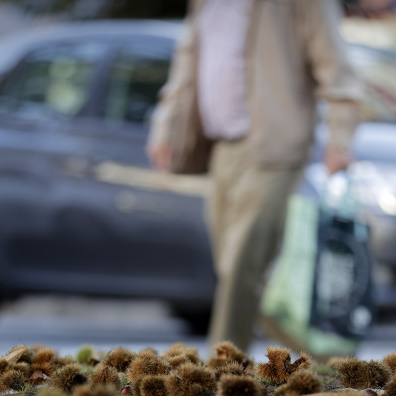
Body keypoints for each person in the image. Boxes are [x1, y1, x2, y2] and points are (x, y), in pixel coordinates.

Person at [147, 0, 362, 352]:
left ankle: (223, 365)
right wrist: (165, 124)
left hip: (277, 144)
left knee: (241, 265)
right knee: (234, 267)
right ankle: (322, 356)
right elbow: (187, 61)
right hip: (220, 146)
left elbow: (335, 65)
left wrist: (341, 137)